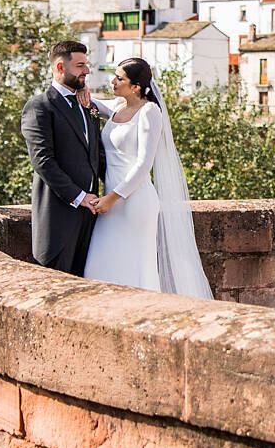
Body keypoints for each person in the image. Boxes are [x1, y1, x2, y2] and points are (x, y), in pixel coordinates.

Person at [79, 58, 212, 298]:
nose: (113, 81)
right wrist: (79, 89)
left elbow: (143, 164)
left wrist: (111, 198)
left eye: (120, 78)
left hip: (134, 202)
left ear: (136, 87)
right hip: (112, 204)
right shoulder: (118, 107)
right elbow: (93, 103)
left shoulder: (149, 112)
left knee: (135, 269)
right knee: (98, 267)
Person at [19, 40, 107, 275]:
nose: (86, 71)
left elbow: (97, 155)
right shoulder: (39, 107)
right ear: (60, 67)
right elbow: (43, 162)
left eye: (86, 65)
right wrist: (80, 197)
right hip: (57, 220)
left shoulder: (87, 105)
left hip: (90, 221)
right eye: (80, 65)